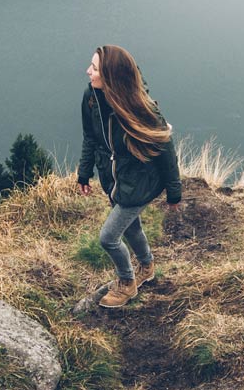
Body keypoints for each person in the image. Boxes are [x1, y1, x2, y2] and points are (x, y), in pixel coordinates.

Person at [77, 44, 182, 308]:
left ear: (110, 76)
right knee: (131, 227)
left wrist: (174, 191)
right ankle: (147, 267)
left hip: (138, 185)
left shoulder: (141, 108)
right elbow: (90, 137)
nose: (88, 71)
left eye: (95, 68)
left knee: (108, 238)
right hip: (113, 180)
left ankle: (127, 283)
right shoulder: (91, 98)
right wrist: (84, 173)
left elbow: (165, 149)